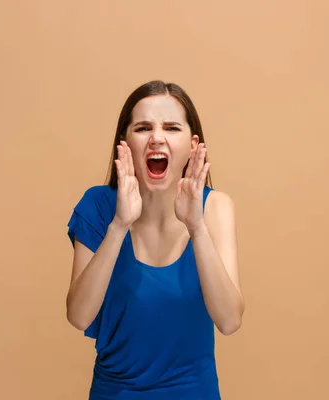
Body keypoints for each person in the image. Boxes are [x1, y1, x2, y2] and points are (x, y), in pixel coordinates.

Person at [66, 80, 244, 399]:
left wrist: (197, 227)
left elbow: (230, 320)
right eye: (143, 128)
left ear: (192, 146)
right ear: (125, 143)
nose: (156, 138)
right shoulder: (97, 207)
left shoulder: (216, 208)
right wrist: (119, 225)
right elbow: (79, 315)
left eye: (171, 128)